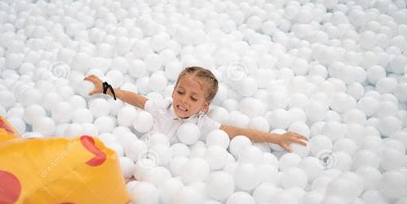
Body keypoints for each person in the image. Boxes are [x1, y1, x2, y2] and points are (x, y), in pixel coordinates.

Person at [84, 66, 308, 152]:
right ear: (173, 91)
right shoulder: (162, 107)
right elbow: (134, 99)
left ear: (204, 106)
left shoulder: (203, 124)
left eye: (193, 97)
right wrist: (106, 88)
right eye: (180, 92)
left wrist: (275, 138)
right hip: (140, 153)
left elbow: (240, 132)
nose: (183, 100)